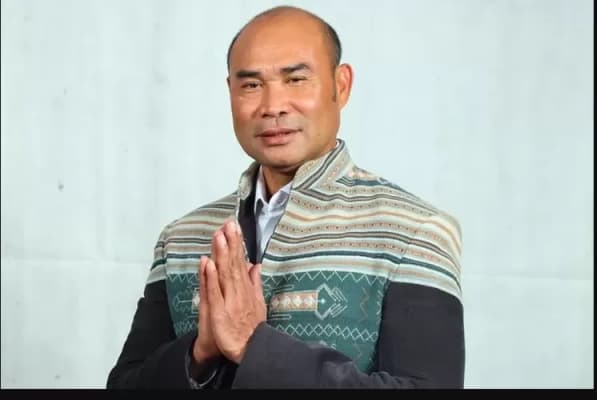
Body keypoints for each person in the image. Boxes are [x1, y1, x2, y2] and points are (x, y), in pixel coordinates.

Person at [107, 5, 465, 389]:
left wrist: (255, 347)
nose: (272, 106)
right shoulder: (181, 238)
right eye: (251, 85)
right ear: (230, 92)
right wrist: (198, 354)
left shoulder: (415, 233)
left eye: (296, 79)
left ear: (341, 85)